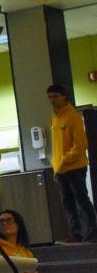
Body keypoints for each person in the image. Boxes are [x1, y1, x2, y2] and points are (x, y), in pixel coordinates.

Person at [47, 83, 97, 243]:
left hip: (75, 167)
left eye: (55, 96)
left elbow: (81, 145)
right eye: (49, 97)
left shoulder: (73, 116)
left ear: (64, 97)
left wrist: (64, 162)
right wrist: (57, 167)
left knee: (81, 199)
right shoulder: (55, 118)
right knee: (67, 203)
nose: (52, 100)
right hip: (61, 169)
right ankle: (76, 234)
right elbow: (56, 147)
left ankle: (93, 232)